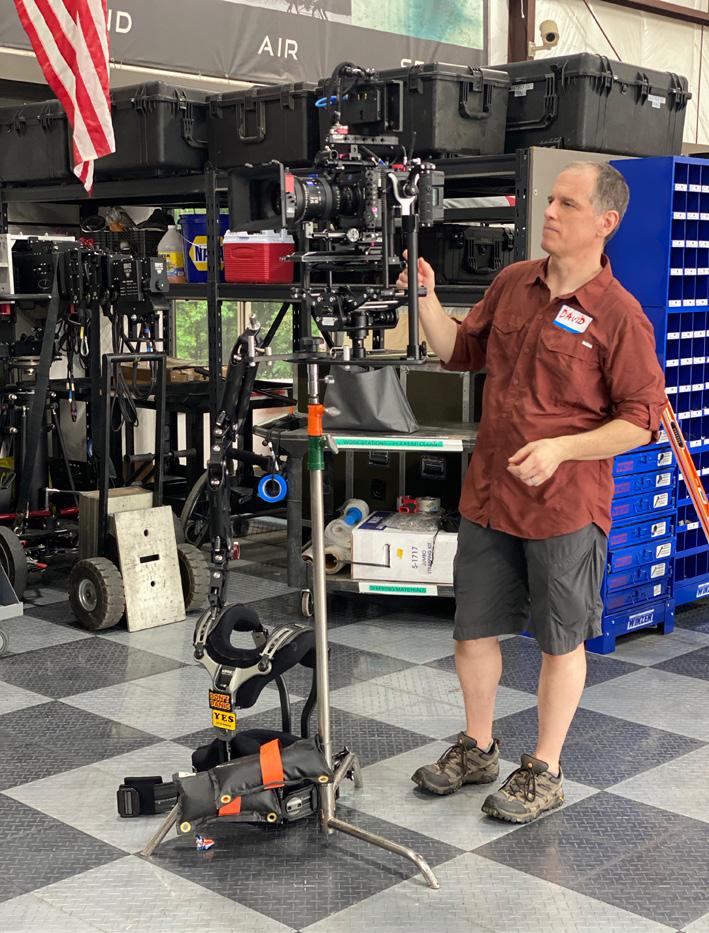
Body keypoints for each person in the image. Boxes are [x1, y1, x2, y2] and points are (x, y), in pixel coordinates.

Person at [398, 162, 667, 823]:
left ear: (604, 223)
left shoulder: (619, 316)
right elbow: (459, 351)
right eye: (549, 200)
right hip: (490, 495)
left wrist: (561, 449)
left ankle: (545, 767)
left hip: (564, 507)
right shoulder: (513, 283)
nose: (549, 211)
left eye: (567, 204)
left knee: (558, 641)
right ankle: (478, 746)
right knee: (472, 632)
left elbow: (641, 421)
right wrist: (425, 300)